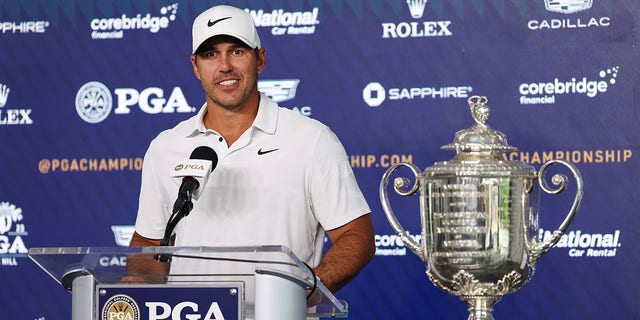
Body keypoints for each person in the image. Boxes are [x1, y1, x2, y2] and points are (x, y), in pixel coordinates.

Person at [125, 4, 375, 304]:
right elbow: (150, 243)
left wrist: (308, 288)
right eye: (210, 54)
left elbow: (356, 235)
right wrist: (139, 279)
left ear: (260, 59)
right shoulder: (165, 147)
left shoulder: (312, 140)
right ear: (195, 67)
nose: (225, 65)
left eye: (237, 51)